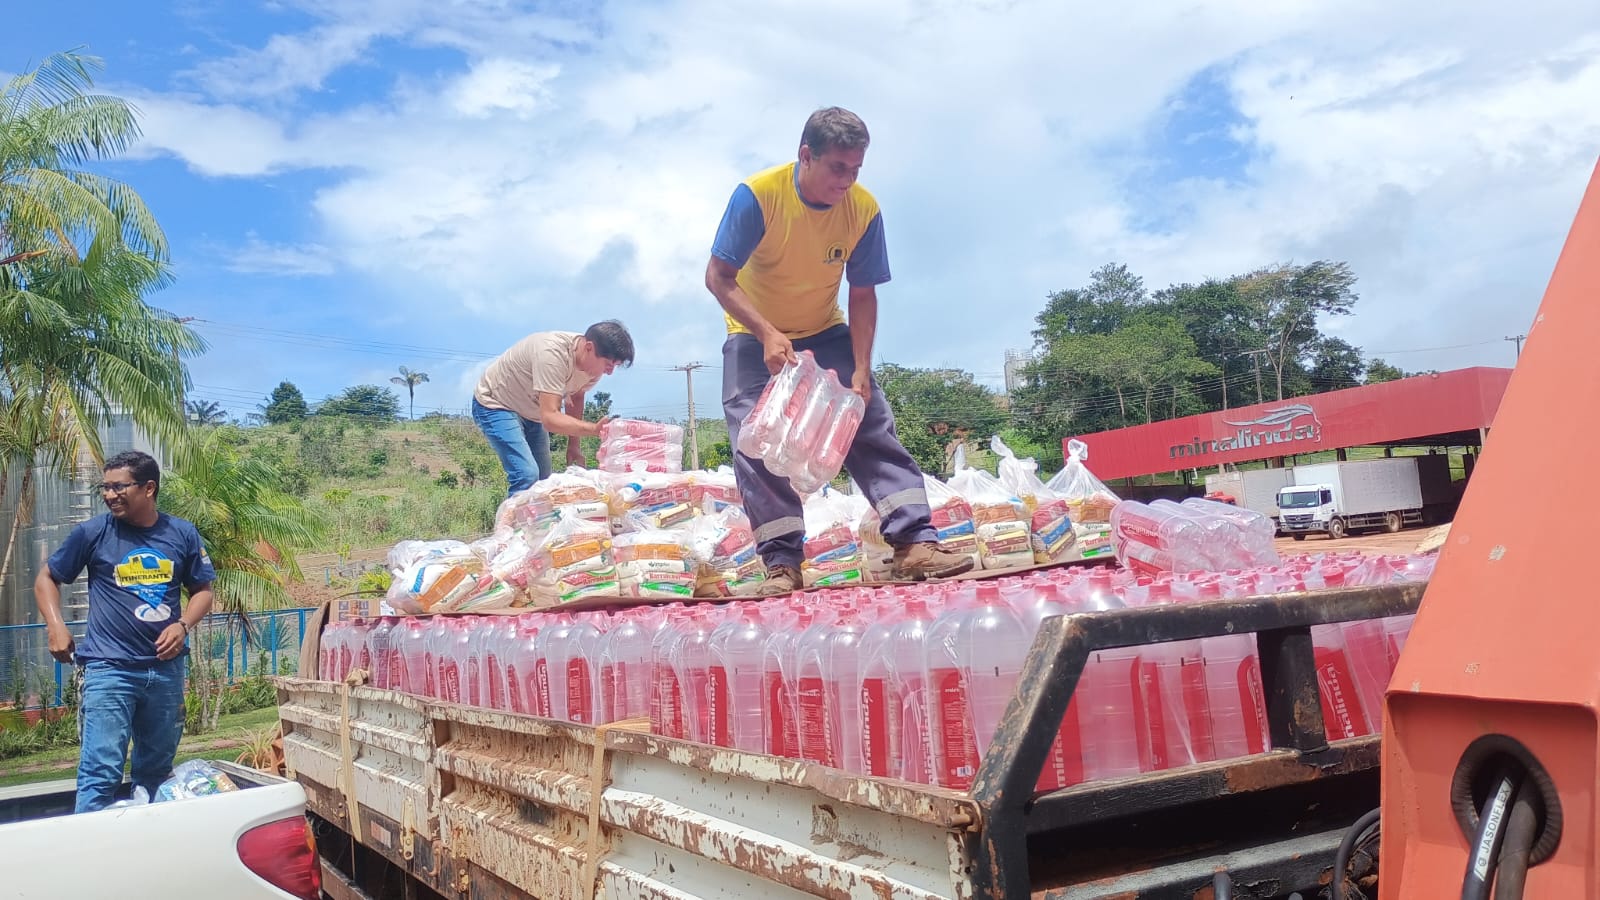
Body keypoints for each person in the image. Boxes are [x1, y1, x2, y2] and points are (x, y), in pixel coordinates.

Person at [705, 106, 975, 594]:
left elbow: (864, 292)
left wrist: (863, 368)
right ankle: (782, 565)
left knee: (869, 423)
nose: (847, 181)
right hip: (753, 332)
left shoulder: (864, 211)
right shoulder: (758, 197)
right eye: (838, 168)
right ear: (806, 155)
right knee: (758, 439)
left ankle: (914, 541)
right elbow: (718, 278)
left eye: (856, 170)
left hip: (825, 328)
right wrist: (766, 333)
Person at [33, 450, 216, 813]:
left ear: (149, 488)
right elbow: (47, 578)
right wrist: (56, 625)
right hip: (109, 669)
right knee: (101, 771)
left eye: (119, 487)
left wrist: (183, 626)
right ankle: (90, 855)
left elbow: (203, 591)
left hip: (165, 671)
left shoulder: (182, 533)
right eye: (105, 487)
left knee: (156, 772)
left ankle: (144, 853)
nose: (109, 495)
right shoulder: (93, 532)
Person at [472, 320, 634, 495]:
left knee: (543, 481)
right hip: (497, 403)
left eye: (614, 367)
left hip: (533, 412)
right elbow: (550, 418)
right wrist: (593, 429)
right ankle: (509, 522)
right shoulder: (552, 355)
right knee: (526, 475)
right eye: (608, 365)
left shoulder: (593, 368)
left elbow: (577, 395)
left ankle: (534, 522)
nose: (609, 372)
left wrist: (574, 445)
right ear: (588, 347)